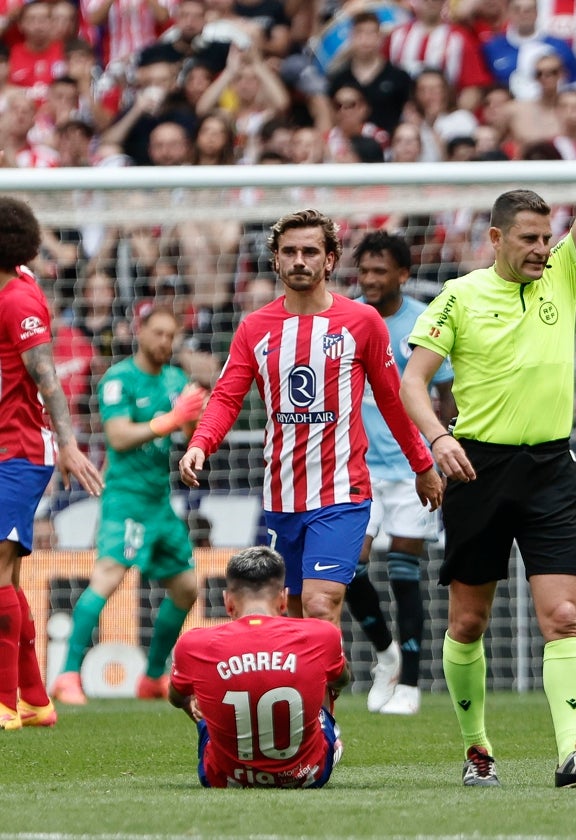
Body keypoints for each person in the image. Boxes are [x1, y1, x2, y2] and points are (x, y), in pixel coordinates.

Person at [399, 57, 576, 790]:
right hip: (475, 464)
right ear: (497, 239)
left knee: (563, 615)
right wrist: (439, 440)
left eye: (549, 237)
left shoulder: (567, 276)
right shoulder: (458, 296)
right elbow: (414, 383)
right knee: (468, 624)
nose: (545, 249)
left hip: (550, 468)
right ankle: (478, 749)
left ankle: (572, 749)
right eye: (531, 239)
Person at [179, 209, 443, 625]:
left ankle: (336, 686)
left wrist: (422, 464)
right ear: (276, 260)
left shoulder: (362, 322)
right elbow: (227, 397)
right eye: (290, 251)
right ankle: (327, 686)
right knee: (294, 617)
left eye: (310, 251)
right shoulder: (255, 328)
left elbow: (393, 399)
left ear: (330, 259)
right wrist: (200, 444)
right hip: (282, 495)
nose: (299, 260)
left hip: (342, 493)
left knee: (322, 606)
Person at [52, 308, 207, 706]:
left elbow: (187, 431)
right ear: (140, 332)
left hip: (159, 501)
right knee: (107, 576)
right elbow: (119, 438)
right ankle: (67, 675)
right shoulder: (118, 380)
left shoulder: (175, 379)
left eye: (170, 335)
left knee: (188, 587)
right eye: (157, 333)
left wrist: (193, 418)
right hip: (125, 498)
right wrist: (174, 418)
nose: (164, 342)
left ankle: (153, 677)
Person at [0, 196, 106, 731]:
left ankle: (3, 705)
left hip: (19, 452)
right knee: (8, 582)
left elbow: (47, 377)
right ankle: (36, 702)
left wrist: (67, 443)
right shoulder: (9, 279)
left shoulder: (18, 300)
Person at [344, 231, 455, 716]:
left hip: (413, 466)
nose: (369, 279)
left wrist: (444, 446)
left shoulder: (421, 322)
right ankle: (386, 653)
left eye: (379, 271)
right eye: (363, 270)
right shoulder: (345, 319)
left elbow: (446, 392)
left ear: (402, 275)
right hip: (358, 466)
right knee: (349, 566)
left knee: (406, 572)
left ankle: (409, 683)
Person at [168, 545, 349, 788]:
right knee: (324, 675)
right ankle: (330, 740)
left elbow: (175, 697)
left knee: (201, 694)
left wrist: (199, 709)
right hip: (308, 776)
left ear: (228, 602)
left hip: (224, 778)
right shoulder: (321, 634)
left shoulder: (193, 643)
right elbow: (341, 680)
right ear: (284, 599)